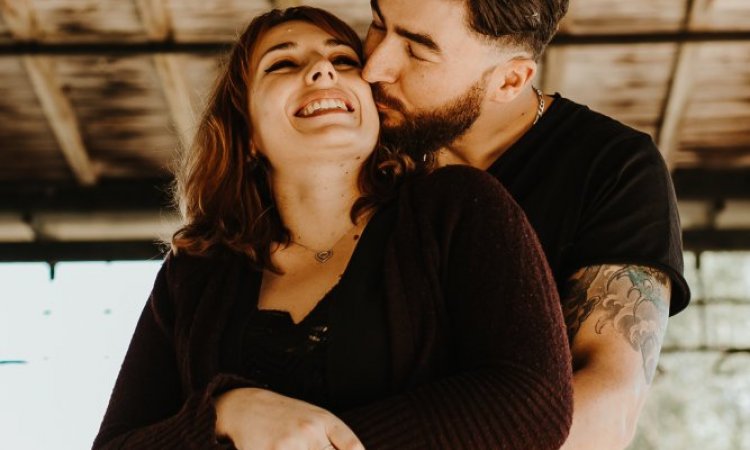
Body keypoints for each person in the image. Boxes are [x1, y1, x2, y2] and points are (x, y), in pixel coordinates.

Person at [93, 6, 573, 450]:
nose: (321, 70)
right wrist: (226, 415)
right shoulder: (194, 273)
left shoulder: (458, 207)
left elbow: (533, 403)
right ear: (248, 132)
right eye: (282, 65)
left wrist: (307, 439)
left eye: (343, 60)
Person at [360, 0, 692, 449]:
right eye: (378, 24)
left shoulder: (610, 168)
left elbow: (606, 406)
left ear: (510, 80)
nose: (373, 67)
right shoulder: (351, 138)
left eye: (417, 51)